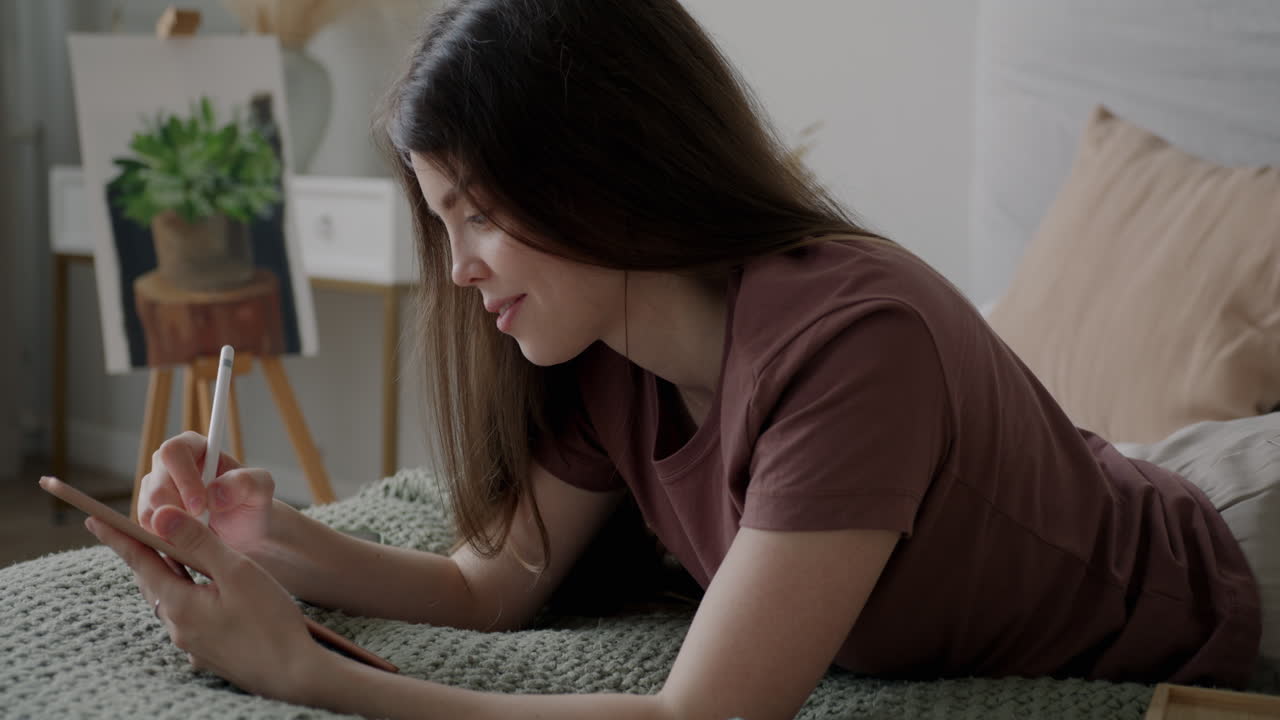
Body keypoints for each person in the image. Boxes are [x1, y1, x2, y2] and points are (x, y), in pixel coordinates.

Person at [86, 0, 1269, 717]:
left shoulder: (855, 345)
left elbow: (700, 716)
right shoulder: (601, 349)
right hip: (1108, 471)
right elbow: (483, 588)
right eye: (442, 221)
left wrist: (310, 676)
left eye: (480, 214)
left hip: (1235, 539)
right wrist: (250, 532)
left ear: (605, 171)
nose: (458, 270)